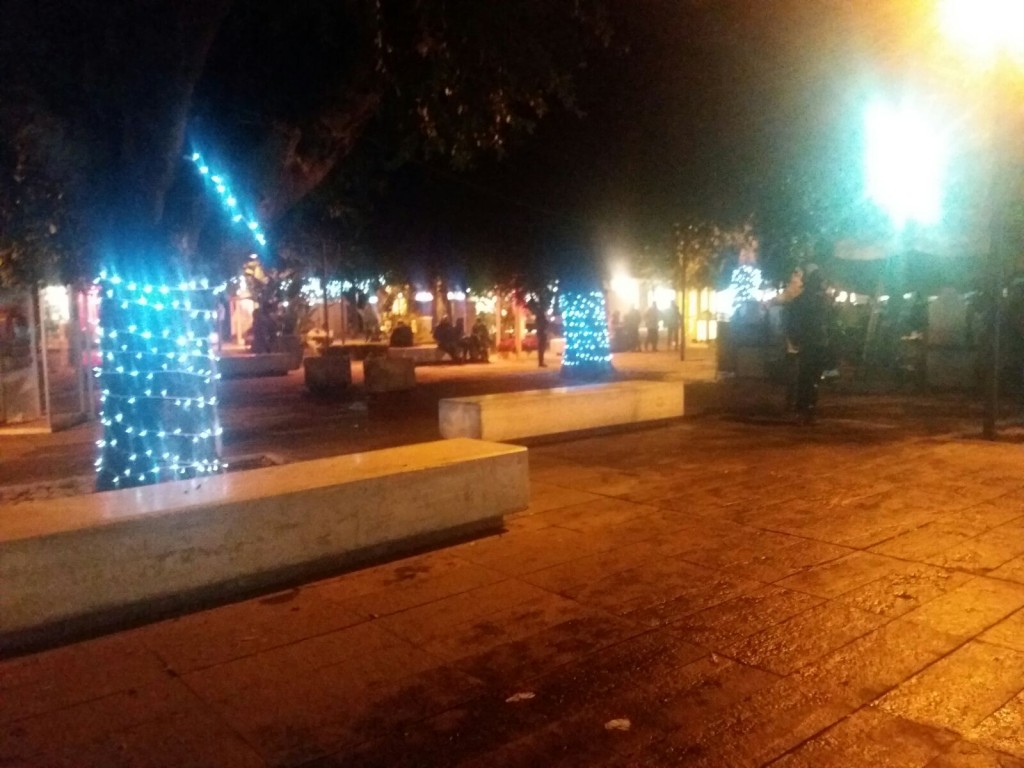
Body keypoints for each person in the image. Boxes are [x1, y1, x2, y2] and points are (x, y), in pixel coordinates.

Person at [785, 266, 832, 424]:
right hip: (815, 343)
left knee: (806, 377)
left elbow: (791, 322)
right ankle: (806, 409)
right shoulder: (820, 302)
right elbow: (828, 324)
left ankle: (804, 409)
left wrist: (795, 339)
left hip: (809, 343)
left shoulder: (804, 301)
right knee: (811, 378)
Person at [533, 302, 550, 367]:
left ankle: (541, 362)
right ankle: (541, 362)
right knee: (541, 348)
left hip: (541, 333)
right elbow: (545, 323)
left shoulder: (539, 317)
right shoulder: (541, 317)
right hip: (542, 333)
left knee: (541, 348)